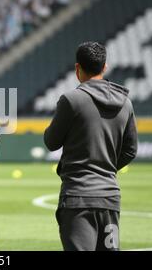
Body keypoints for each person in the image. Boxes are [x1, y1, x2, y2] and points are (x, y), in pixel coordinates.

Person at [44, 42, 138, 251]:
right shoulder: (126, 103)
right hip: (109, 197)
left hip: (77, 197)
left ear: (77, 68)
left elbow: (51, 142)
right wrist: (104, 168)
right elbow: (131, 150)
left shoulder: (71, 100)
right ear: (104, 67)